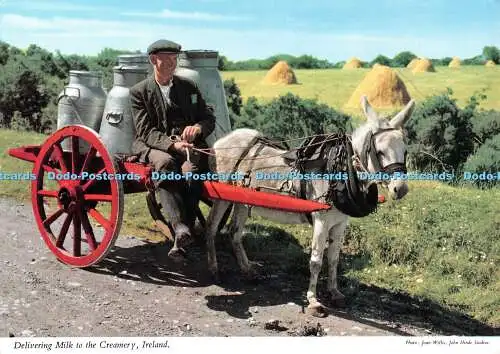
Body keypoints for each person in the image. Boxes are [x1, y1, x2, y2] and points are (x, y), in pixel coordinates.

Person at [130, 39, 216, 260]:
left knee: (191, 171)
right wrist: (172, 144)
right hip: (152, 145)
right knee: (166, 163)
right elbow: (145, 130)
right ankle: (179, 226)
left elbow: (208, 118)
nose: (171, 63)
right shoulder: (139, 92)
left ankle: (185, 230)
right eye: (165, 58)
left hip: (187, 147)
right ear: (153, 60)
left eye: (174, 58)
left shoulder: (188, 87)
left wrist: (197, 128)